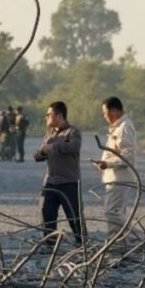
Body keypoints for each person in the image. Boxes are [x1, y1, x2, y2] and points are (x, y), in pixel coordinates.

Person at [34, 101, 84, 248]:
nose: (46, 117)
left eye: (49, 114)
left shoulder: (73, 132)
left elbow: (74, 147)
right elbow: (39, 155)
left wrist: (54, 145)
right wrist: (45, 149)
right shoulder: (50, 133)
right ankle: (50, 244)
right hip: (50, 181)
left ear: (59, 115)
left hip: (69, 181)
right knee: (46, 213)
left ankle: (82, 244)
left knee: (74, 216)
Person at [93, 97, 138, 238]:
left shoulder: (124, 128)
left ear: (114, 111)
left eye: (105, 113)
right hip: (113, 177)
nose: (104, 116)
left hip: (120, 178)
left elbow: (128, 157)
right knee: (118, 213)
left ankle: (138, 237)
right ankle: (117, 244)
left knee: (111, 212)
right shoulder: (117, 127)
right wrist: (104, 162)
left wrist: (108, 164)